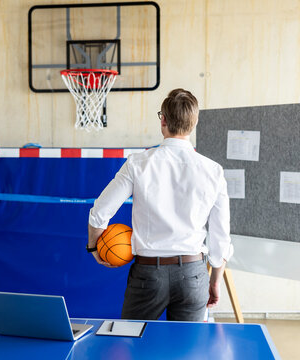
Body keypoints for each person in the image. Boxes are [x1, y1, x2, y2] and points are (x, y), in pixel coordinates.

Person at [86, 88, 233, 322]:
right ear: (194, 123)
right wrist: (215, 279)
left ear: (162, 120)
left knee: (134, 347)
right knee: (188, 353)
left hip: (147, 275)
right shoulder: (213, 171)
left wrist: (94, 247)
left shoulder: (137, 164)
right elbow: (220, 234)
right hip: (193, 274)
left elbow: (99, 213)